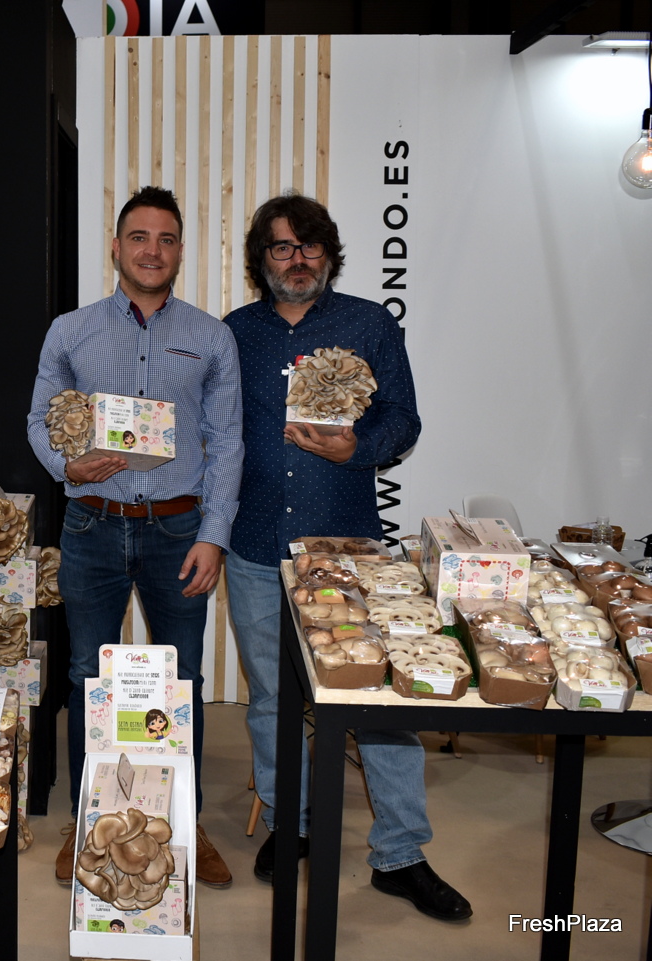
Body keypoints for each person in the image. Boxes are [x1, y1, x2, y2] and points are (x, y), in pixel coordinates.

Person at [222, 193, 471, 921]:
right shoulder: (235, 333)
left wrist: (357, 446)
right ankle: (291, 825)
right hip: (256, 544)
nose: (297, 259)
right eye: (281, 247)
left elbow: (403, 419)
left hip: (348, 549)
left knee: (377, 702)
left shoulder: (368, 324)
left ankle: (401, 853)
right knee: (272, 698)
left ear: (328, 253)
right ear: (261, 260)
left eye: (309, 246)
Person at [27, 185, 243, 887]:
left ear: (180, 251)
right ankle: (90, 822)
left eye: (167, 239)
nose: (153, 250)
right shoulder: (71, 332)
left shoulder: (211, 337)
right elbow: (39, 419)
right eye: (140, 237)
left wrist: (214, 534)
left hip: (180, 531)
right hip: (92, 525)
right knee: (87, 678)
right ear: (116, 247)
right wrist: (66, 465)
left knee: (182, 682)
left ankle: (185, 821)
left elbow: (227, 441)